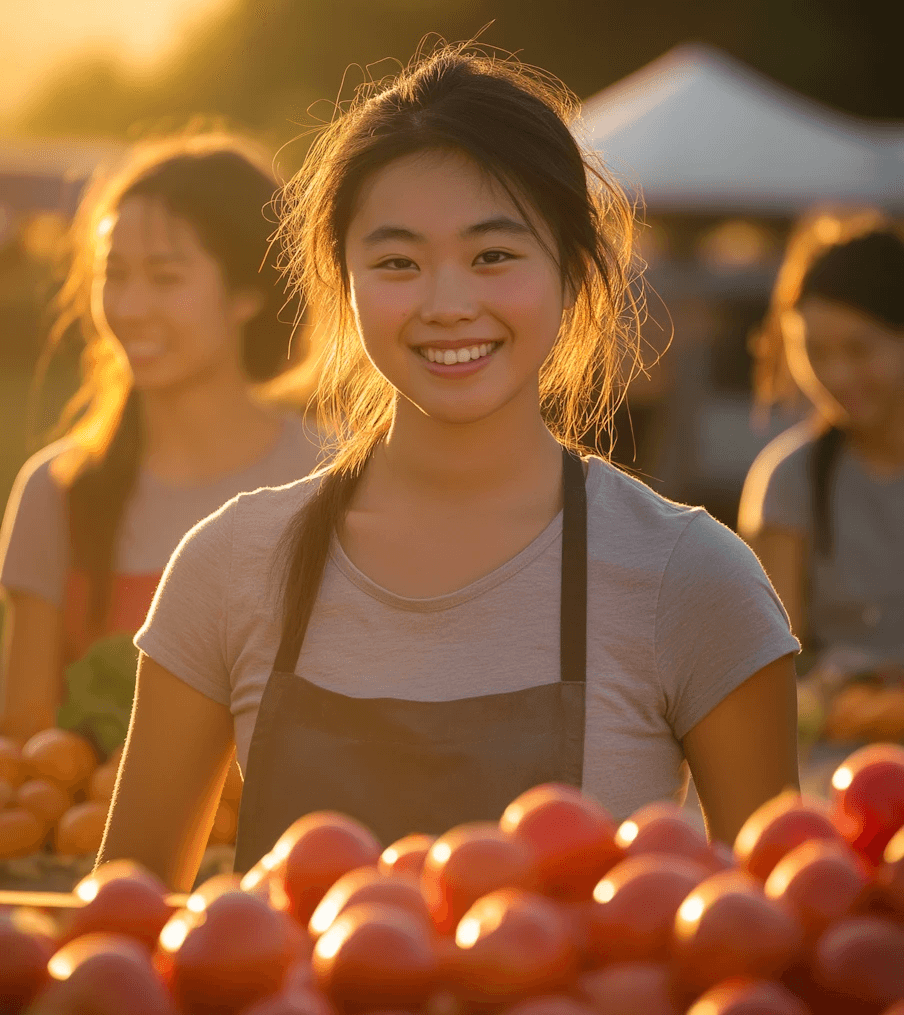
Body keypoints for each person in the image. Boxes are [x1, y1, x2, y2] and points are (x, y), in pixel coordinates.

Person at [99, 46, 800, 890]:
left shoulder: (691, 579)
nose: (447, 304)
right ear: (343, 284)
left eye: (493, 255)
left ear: (574, 270)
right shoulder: (229, 565)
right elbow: (127, 922)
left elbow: (774, 927)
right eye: (397, 262)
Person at [0, 133, 323, 749]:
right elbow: (27, 748)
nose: (130, 306)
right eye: (114, 275)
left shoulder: (332, 475)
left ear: (248, 292)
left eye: (165, 277)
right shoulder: (58, 489)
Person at [739, 210, 904, 671]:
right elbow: (771, 662)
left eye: (859, 349)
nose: (837, 375)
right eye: (814, 352)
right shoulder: (791, 479)